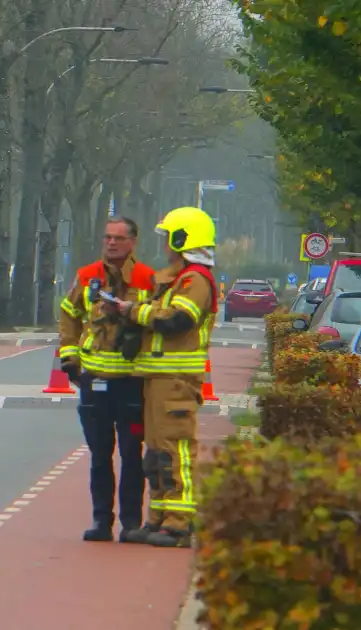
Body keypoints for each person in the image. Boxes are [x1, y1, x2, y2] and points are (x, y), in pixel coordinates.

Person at [108, 206, 218, 548]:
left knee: (175, 451)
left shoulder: (196, 280)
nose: (166, 244)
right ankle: (157, 517)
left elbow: (177, 320)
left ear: (183, 237)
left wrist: (135, 311)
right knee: (155, 453)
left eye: (170, 237)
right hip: (158, 378)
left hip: (176, 380)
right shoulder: (178, 278)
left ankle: (179, 523)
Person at [58, 217, 156, 543]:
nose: (111, 243)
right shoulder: (87, 277)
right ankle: (101, 522)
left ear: (133, 242)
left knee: (131, 454)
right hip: (94, 381)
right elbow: (69, 314)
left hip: (132, 381)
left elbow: (157, 321)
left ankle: (131, 523)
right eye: (107, 238)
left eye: (118, 238)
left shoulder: (147, 278)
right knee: (100, 455)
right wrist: (70, 358)